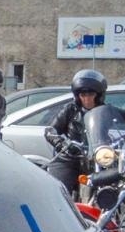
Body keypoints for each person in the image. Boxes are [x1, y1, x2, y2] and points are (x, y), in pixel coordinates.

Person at [44, 68, 106, 197]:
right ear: (77, 96)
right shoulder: (70, 109)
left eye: (90, 94)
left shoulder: (105, 110)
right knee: (58, 190)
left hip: (96, 157)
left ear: (98, 95)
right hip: (71, 157)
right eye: (83, 95)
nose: (86, 98)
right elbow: (50, 130)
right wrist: (61, 144)